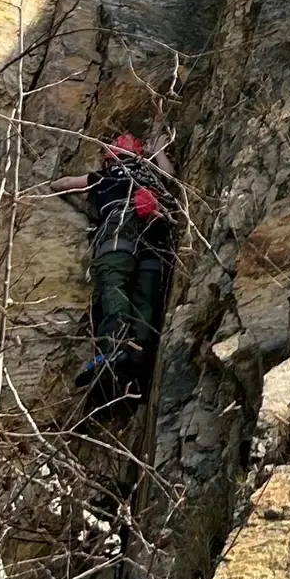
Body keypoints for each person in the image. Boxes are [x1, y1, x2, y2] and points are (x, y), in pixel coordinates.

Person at [50, 126, 177, 406]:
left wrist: (72, 193)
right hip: (155, 237)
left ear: (110, 157)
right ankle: (138, 361)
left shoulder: (105, 176)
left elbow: (61, 185)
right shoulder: (151, 173)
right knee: (145, 297)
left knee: (114, 283)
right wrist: (158, 151)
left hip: (119, 230)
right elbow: (171, 177)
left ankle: (115, 350)